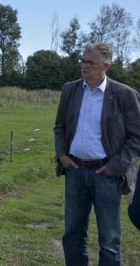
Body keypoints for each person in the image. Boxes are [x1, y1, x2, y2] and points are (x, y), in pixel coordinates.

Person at [54, 42, 140, 265]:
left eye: (90, 62)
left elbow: (137, 137)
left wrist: (116, 166)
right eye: (82, 60)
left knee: (109, 239)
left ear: (106, 66)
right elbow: (60, 127)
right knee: (72, 233)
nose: (84, 66)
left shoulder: (125, 95)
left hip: (107, 175)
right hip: (74, 171)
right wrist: (62, 155)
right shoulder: (70, 90)